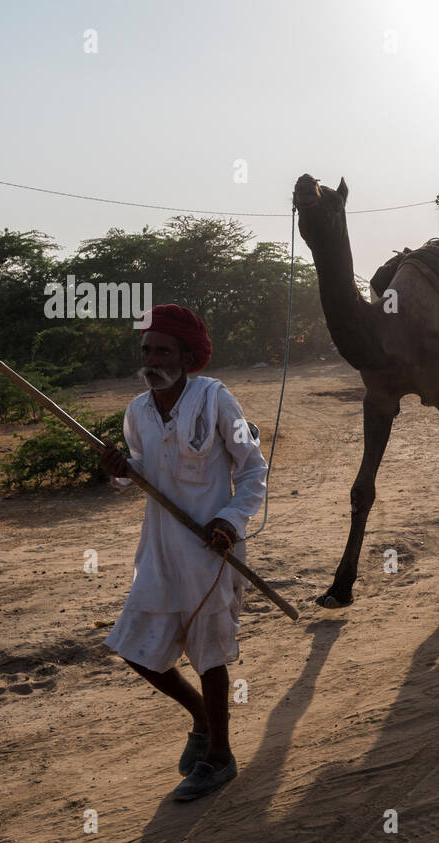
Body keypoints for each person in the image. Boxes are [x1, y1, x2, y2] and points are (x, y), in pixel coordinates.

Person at [98, 304, 267, 801]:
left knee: (210, 656)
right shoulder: (137, 411)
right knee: (134, 647)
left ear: (187, 357)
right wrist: (118, 467)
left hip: (210, 551)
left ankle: (219, 757)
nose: (152, 359)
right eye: (147, 350)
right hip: (159, 551)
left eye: (163, 351)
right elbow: (142, 471)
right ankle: (199, 718)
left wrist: (230, 521)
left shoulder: (217, 400)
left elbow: (253, 471)